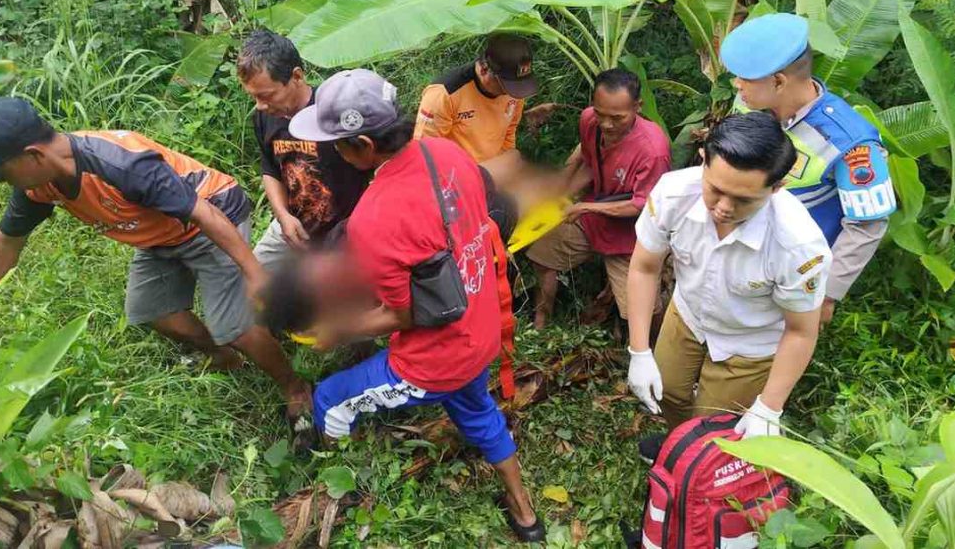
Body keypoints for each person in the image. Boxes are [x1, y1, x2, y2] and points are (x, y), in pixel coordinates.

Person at [285, 68, 545, 543]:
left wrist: (338, 331)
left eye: (335, 145)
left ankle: (342, 492)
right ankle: (525, 514)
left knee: (328, 400)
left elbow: (403, 316)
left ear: (363, 146)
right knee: (476, 408)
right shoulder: (448, 152)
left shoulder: (372, 218)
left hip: (433, 359)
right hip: (480, 327)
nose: (330, 154)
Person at [0, 97, 311, 416]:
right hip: (159, 236)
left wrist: (254, 274)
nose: (2, 184)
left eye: (0, 175)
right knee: (152, 312)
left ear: (33, 155)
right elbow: (5, 242)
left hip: (213, 217)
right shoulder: (37, 184)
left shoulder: (119, 165)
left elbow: (205, 216)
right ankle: (223, 357)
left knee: (235, 327)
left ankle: (294, 387)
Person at [626, 113, 831, 440]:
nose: (723, 207)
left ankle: (701, 462)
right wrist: (639, 350)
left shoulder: (797, 246)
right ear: (704, 160)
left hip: (749, 342)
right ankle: (680, 450)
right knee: (669, 392)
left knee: (714, 427)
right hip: (687, 315)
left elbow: (801, 332)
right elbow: (644, 267)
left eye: (743, 200)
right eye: (716, 189)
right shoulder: (673, 194)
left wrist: (769, 406)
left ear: (778, 187)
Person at [721, 13, 896, 326]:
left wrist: (826, 295)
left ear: (778, 81)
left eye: (744, 78)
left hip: (793, 271)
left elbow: (867, 225)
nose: (736, 84)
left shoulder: (851, 142)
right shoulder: (749, 102)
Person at [527, 69, 671, 330]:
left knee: (640, 311)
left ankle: (653, 354)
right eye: (600, 113)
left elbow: (643, 204)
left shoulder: (653, 150)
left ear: (637, 107)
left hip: (630, 237)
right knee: (542, 255)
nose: (606, 124)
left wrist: (584, 206)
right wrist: (562, 187)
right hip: (591, 218)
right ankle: (540, 323)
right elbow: (587, 155)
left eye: (617, 118)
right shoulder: (588, 120)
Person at [236, 30, 369, 265]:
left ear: (297, 76)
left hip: (345, 232)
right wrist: (283, 216)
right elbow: (270, 170)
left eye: (266, 95)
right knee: (252, 278)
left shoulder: (334, 110)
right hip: (293, 227)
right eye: (253, 97)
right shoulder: (264, 116)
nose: (260, 106)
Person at [414, 34, 538, 165]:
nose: (511, 93)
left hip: (493, 173)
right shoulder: (444, 94)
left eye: (517, 85)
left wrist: (501, 170)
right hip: (454, 175)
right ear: (484, 69)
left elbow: (509, 133)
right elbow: (426, 152)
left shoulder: (515, 92)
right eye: (506, 85)